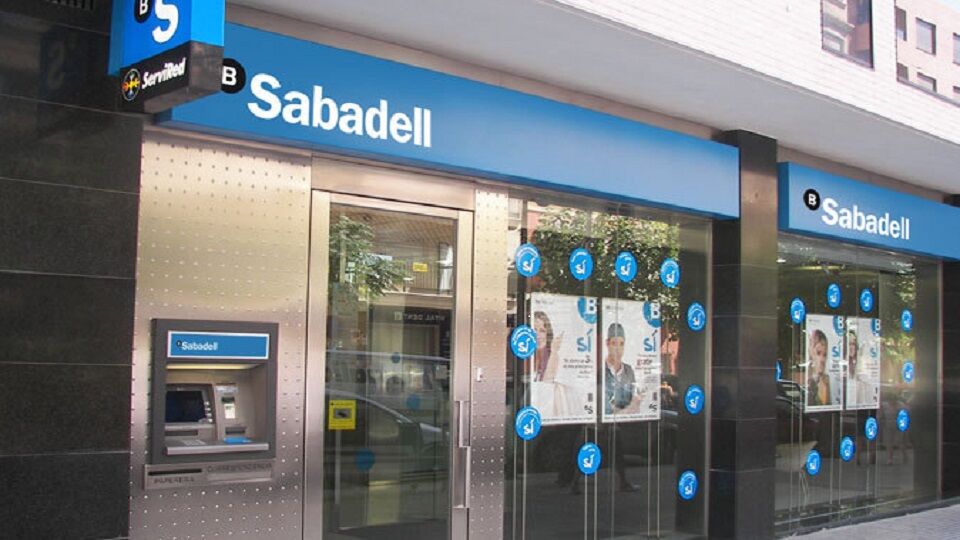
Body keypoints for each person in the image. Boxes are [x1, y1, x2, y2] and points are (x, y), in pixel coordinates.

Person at [604, 323, 638, 415]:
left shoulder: (628, 371)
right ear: (607, 343)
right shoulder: (601, 371)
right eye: (614, 343)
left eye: (621, 344)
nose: (618, 349)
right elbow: (605, 409)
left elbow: (633, 401)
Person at [806, 329, 831, 408]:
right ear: (811, 352)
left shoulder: (826, 381)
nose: (822, 359)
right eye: (818, 353)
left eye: (825, 355)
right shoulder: (808, 380)